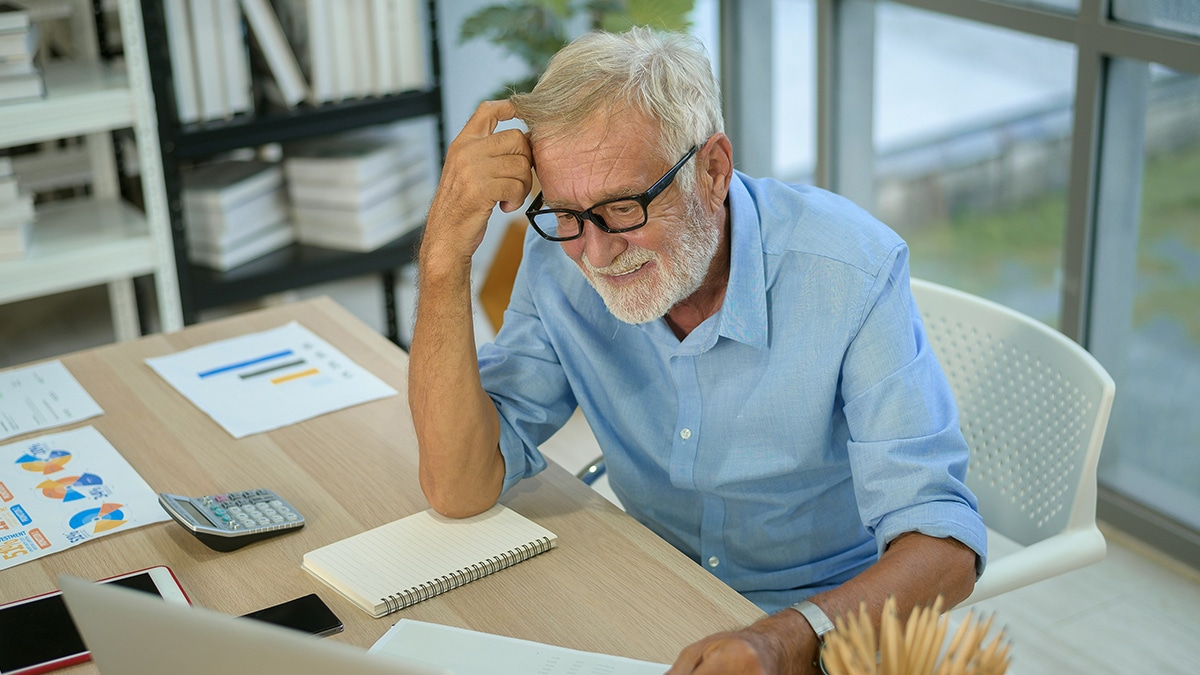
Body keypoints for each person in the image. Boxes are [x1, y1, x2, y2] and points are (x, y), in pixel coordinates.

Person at [408, 26, 986, 675]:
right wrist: (442, 257)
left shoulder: (849, 273)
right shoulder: (558, 261)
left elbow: (943, 544)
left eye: (622, 208)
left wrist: (790, 638)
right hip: (653, 595)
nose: (595, 254)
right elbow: (459, 484)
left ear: (712, 168)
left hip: (827, 622)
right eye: (565, 214)